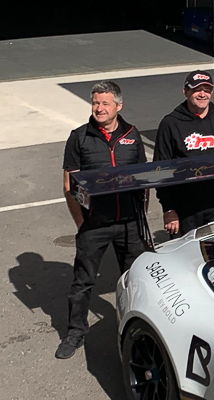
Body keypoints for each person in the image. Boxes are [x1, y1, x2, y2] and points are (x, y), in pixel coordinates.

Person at [57, 81, 147, 359]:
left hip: (130, 223)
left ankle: (138, 330)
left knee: (136, 279)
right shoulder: (79, 137)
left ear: (118, 106)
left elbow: (143, 180)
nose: (99, 108)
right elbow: (68, 185)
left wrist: (141, 216)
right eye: (96, 102)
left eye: (105, 103)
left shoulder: (133, 135)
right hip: (94, 225)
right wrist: (81, 223)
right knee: (82, 282)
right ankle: (75, 332)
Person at [153, 70, 214, 236]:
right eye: (197, 89)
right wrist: (169, 208)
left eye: (207, 90)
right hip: (185, 210)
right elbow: (160, 170)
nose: (203, 94)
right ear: (186, 91)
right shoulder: (170, 123)